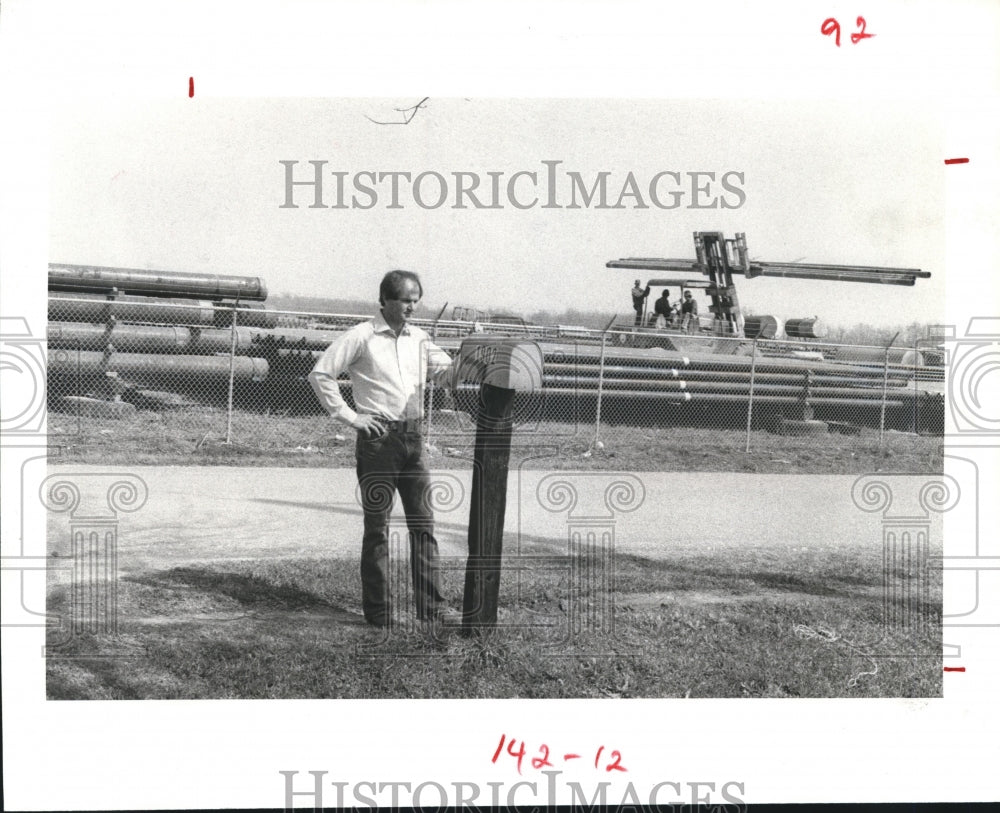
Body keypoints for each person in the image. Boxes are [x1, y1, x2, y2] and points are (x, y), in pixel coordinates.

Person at [308, 270, 458, 632]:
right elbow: (321, 374)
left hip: (413, 439)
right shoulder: (362, 335)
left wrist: (462, 366)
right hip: (378, 441)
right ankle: (380, 614)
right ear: (386, 300)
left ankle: (432, 610)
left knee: (424, 527)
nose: (413, 306)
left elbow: (447, 371)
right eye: (406, 299)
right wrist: (349, 416)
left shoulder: (420, 338)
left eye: (416, 299)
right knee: (377, 529)